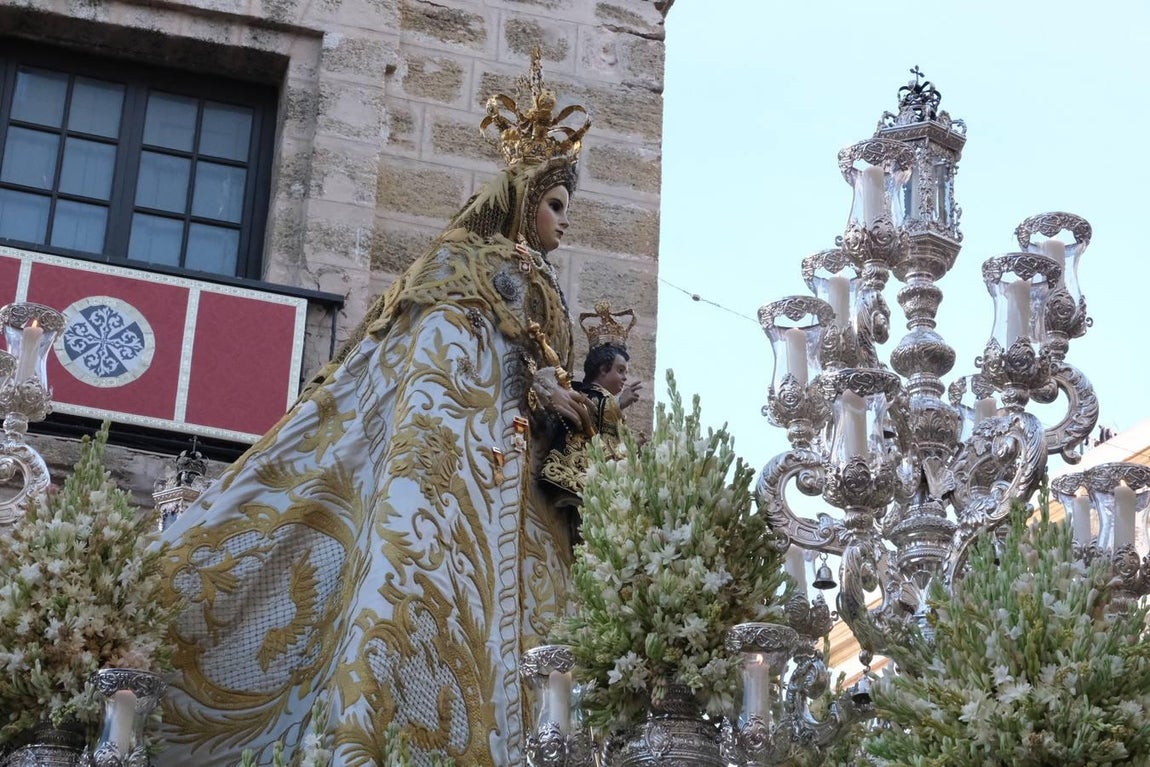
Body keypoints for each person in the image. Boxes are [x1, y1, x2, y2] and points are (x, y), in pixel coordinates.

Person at [157, 51, 592, 767]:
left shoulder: (545, 286)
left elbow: (550, 375)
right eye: (554, 205)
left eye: (566, 209)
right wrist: (526, 380)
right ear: (521, 197)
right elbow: (446, 354)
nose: (562, 223)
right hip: (464, 482)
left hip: (526, 500)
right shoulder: (466, 264)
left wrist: (576, 405)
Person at [540, 303, 641, 508]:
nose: (624, 378)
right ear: (603, 369)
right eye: (620, 370)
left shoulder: (607, 400)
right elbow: (593, 412)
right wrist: (620, 403)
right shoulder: (589, 394)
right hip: (578, 464)